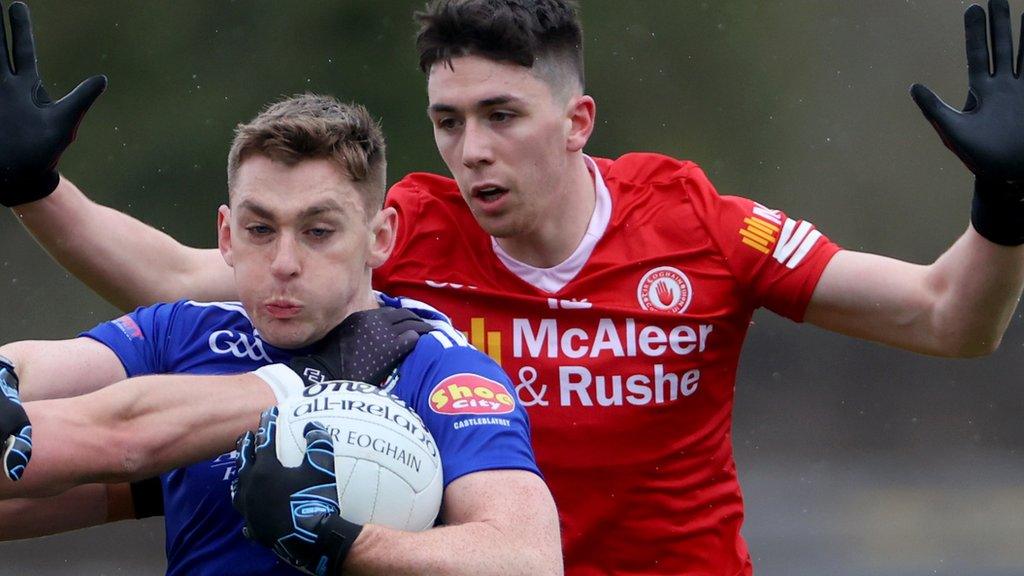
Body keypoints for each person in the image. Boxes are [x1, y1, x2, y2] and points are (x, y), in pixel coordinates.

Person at [2, 0, 1023, 574]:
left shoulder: (701, 227)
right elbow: (200, 283)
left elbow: (948, 319)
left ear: (577, 122)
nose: (470, 150)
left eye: (501, 115)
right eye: (449, 121)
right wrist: (39, 186)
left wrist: (1004, 209)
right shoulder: (407, 226)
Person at [0, 89, 562, 575]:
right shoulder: (184, 332)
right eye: (260, 229)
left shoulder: (432, 364)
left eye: (318, 231)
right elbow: (37, 377)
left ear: (381, 236)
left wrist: (345, 543)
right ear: (226, 233)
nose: (284, 261)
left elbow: (527, 559)